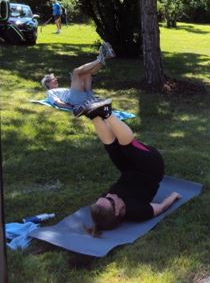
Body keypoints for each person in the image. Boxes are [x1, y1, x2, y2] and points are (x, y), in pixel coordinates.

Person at [83, 101, 182, 237]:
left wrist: (105, 201)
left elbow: (104, 205)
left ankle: (94, 115)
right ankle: (107, 113)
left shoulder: (104, 203)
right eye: (110, 200)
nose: (109, 194)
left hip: (128, 169)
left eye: (105, 196)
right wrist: (174, 195)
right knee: (127, 147)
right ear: (117, 211)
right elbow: (162, 207)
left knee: (112, 148)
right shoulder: (137, 212)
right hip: (152, 169)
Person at [41, 42, 116, 116]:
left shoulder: (59, 90)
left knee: (87, 74)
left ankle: (103, 58)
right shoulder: (50, 92)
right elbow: (57, 102)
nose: (56, 80)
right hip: (76, 100)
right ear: (48, 83)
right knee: (75, 72)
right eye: (53, 79)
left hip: (86, 97)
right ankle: (100, 59)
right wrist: (72, 108)